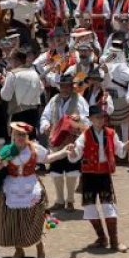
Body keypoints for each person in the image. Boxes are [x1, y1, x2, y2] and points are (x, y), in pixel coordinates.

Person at [0, 122, 70, 258]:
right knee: (13, 219)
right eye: (17, 134)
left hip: (31, 186)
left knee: (34, 218)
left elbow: (47, 158)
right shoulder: (7, 150)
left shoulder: (34, 148)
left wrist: (64, 151)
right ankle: (19, 250)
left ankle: (39, 246)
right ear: (12, 135)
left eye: (23, 134)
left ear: (27, 136)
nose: (20, 137)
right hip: (11, 187)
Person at [67, 106, 128, 252]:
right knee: (89, 207)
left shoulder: (111, 133)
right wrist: (72, 150)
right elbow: (77, 153)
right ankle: (101, 237)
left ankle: (114, 241)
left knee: (108, 206)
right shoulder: (85, 135)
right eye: (98, 117)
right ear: (91, 119)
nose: (101, 120)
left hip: (104, 175)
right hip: (89, 175)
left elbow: (120, 151)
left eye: (102, 117)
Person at [40, 74, 90, 211]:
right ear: (59, 86)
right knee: (56, 170)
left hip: (72, 141)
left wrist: (79, 118)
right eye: (62, 86)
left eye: (67, 86)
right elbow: (45, 116)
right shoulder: (54, 100)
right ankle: (59, 200)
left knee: (71, 170)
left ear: (72, 86)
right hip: (55, 140)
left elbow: (88, 119)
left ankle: (70, 201)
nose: (65, 88)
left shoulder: (79, 100)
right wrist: (45, 125)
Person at [1, 49, 45, 130]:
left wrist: (4, 84)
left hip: (18, 112)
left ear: (16, 60)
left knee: (18, 139)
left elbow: (5, 96)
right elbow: (41, 89)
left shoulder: (12, 74)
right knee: (31, 138)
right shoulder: (33, 73)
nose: (10, 62)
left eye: (11, 59)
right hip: (33, 112)